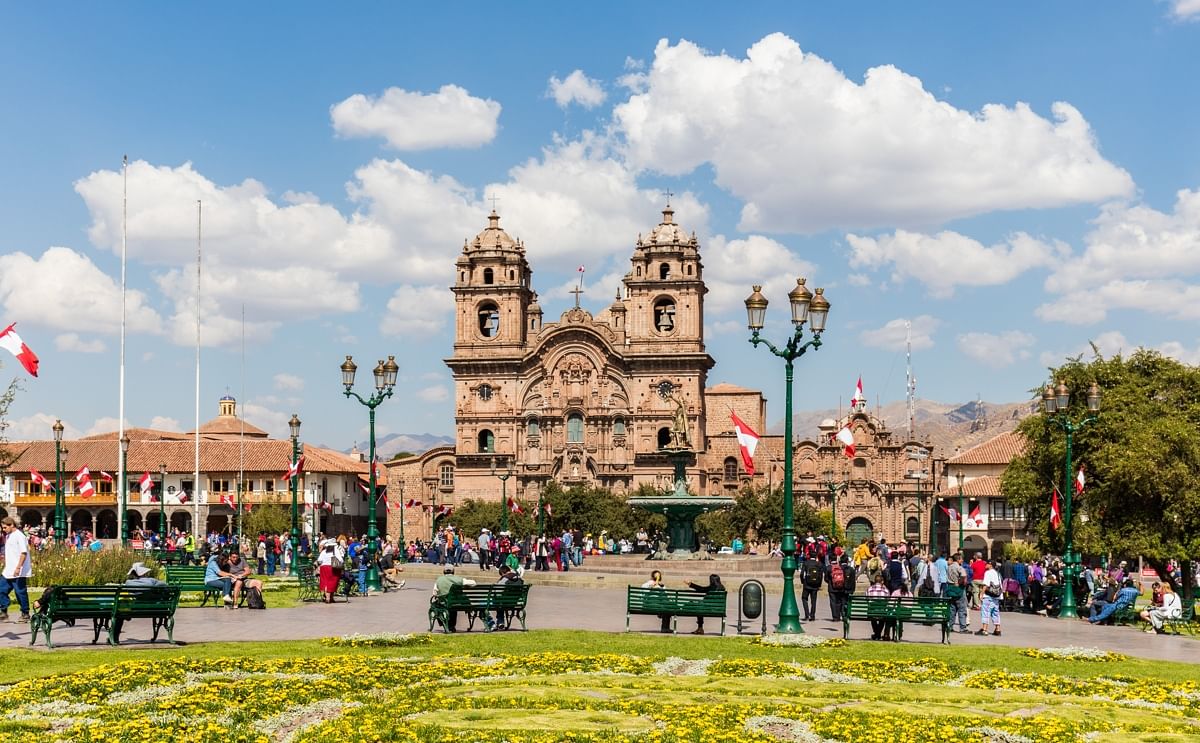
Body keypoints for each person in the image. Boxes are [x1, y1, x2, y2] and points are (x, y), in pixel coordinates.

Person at [0, 517, 32, 622]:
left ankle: (25, 613)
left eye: (5, 527)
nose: (3, 529)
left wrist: (18, 567)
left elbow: (23, 552)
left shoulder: (19, 536)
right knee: (1, 590)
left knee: (20, 592)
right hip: (8, 570)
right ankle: (4, 611)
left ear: (11, 525)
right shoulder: (8, 536)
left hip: (18, 571)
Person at [431, 567, 477, 632]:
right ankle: (452, 626)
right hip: (457, 602)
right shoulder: (458, 579)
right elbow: (474, 583)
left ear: (444, 572)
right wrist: (465, 586)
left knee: (436, 606)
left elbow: (434, 593)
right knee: (452, 605)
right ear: (453, 572)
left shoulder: (439, 579)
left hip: (444, 602)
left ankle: (445, 624)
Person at [976, 560, 1003, 636]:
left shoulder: (988, 573)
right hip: (996, 596)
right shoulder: (997, 573)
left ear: (990, 565)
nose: (985, 565)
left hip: (988, 595)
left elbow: (986, 584)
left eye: (987, 563)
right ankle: (998, 629)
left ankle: (984, 629)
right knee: (995, 612)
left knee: (985, 612)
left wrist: (981, 594)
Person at [827, 552, 855, 621]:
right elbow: (853, 580)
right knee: (843, 601)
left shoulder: (837, 568)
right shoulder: (851, 569)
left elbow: (827, 578)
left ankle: (836, 616)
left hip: (835, 587)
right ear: (847, 561)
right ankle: (843, 615)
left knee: (835, 602)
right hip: (845, 588)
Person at [945, 552, 970, 633]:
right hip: (958, 589)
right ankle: (963, 627)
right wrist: (959, 582)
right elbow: (963, 576)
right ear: (958, 559)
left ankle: (950, 626)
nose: (962, 560)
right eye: (961, 558)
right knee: (962, 609)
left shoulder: (949, 567)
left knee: (952, 608)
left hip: (950, 588)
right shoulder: (959, 567)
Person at [315, 538, 343, 604]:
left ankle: (328, 598)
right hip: (333, 568)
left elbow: (319, 560)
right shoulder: (336, 550)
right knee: (333, 582)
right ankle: (330, 597)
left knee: (325, 582)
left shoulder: (324, 551)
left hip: (324, 568)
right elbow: (341, 560)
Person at [800, 547, 823, 621]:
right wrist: (819, 585)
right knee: (814, 601)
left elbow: (802, 573)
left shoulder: (806, 563)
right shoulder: (819, 564)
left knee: (804, 598)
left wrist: (803, 581)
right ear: (816, 556)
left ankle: (807, 615)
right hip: (815, 585)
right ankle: (812, 616)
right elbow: (821, 575)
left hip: (807, 584)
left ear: (809, 556)